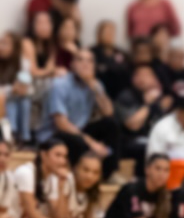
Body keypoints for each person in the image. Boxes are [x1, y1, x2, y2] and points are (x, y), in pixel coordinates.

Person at [40, 47, 121, 178]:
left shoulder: (95, 85)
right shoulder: (60, 84)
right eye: (80, 60)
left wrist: (93, 86)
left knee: (111, 125)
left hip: (79, 130)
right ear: (72, 64)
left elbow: (108, 112)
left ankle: (108, 174)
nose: (85, 64)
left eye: (90, 61)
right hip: (54, 133)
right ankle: (77, 176)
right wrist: (92, 143)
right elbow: (61, 124)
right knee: (79, 142)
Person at [115, 64, 167, 175]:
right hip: (129, 141)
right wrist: (147, 105)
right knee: (146, 148)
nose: (144, 79)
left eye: (148, 75)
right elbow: (132, 125)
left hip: (150, 139)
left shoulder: (156, 99)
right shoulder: (126, 96)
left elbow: (162, 126)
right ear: (134, 78)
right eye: (140, 75)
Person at [0, 31, 34, 145]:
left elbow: (30, 88)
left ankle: (23, 137)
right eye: (1, 42)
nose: (1, 47)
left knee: (24, 101)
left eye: (6, 43)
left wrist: (22, 89)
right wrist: (12, 90)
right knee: (10, 101)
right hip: (5, 99)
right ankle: (13, 133)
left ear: (15, 47)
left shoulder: (22, 63)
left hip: (18, 97)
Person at [92, 20, 131, 99]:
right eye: (106, 32)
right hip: (97, 94)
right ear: (99, 34)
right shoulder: (91, 53)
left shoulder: (122, 53)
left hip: (120, 95)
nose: (109, 35)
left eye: (112, 32)